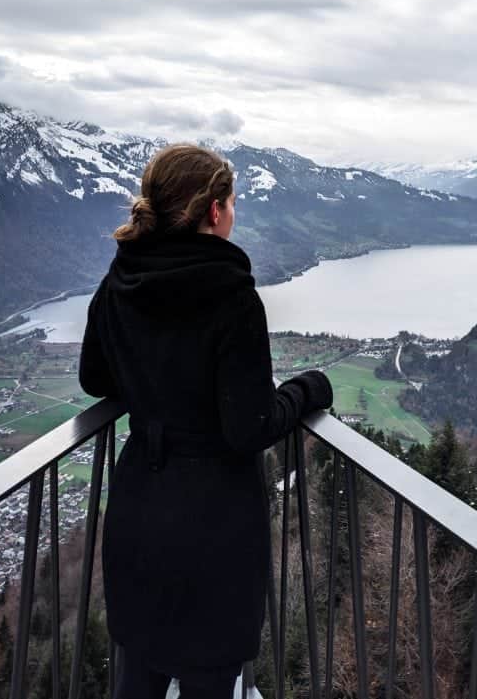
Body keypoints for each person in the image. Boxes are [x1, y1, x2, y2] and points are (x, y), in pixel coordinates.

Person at [78, 142, 334, 699]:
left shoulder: (122, 279)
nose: (235, 213)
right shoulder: (232, 297)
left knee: (138, 675)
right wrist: (307, 389)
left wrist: (154, 387)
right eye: (234, 203)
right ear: (214, 211)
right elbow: (250, 426)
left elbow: (95, 378)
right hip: (212, 531)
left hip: (139, 507)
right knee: (210, 679)